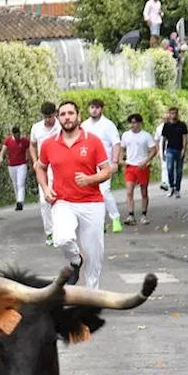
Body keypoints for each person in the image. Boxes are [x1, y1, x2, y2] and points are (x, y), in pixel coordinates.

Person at [36, 101, 112, 289]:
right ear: (58, 118)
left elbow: (107, 170)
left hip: (91, 202)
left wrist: (90, 179)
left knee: (95, 255)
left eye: (70, 113)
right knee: (61, 238)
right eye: (62, 114)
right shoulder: (48, 144)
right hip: (63, 202)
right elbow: (40, 168)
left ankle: (91, 295)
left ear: (78, 116)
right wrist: (45, 188)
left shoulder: (93, 141)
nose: (67, 117)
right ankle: (75, 259)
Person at [81, 99, 122, 232]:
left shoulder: (108, 125)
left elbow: (116, 143)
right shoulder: (84, 125)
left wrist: (115, 161)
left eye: (97, 108)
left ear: (101, 109)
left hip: (105, 164)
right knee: (92, 194)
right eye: (92, 107)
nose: (94, 110)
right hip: (88, 164)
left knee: (104, 191)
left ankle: (115, 218)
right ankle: (100, 222)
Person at [29, 102, 61, 245]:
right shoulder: (36, 128)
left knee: (58, 199)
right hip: (43, 167)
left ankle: (60, 231)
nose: (48, 120)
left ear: (55, 113)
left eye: (50, 116)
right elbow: (32, 144)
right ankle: (49, 232)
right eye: (45, 117)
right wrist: (35, 160)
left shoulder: (61, 126)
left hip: (59, 166)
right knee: (44, 201)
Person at [120, 113, 158, 225]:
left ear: (140, 123)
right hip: (130, 166)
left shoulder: (146, 136)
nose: (133, 125)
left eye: (135, 123)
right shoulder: (126, 135)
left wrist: (146, 161)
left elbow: (153, 150)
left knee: (144, 192)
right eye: (131, 123)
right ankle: (131, 215)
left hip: (142, 166)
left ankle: (144, 214)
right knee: (129, 191)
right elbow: (122, 148)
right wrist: (120, 159)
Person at [159, 106, 188, 197]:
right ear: (169, 114)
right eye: (172, 113)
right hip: (170, 149)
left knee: (179, 171)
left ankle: (177, 189)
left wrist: (184, 149)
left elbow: (185, 138)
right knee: (170, 168)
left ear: (177, 114)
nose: (173, 115)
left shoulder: (182, 125)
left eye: (175, 113)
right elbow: (163, 139)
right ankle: (171, 186)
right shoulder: (166, 125)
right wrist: (162, 151)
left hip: (179, 149)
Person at [3, 126, 30, 211]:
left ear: (19, 133)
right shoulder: (8, 140)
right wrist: (1, 157)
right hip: (11, 165)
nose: (17, 136)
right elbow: (3, 149)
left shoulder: (25, 141)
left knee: (20, 183)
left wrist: (28, 160)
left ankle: (20, 201)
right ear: (13, 134)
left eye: (18, 134)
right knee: (15, 184)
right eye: (15, 135)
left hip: (22, 164)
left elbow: (29, 150)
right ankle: (17, 200)